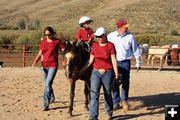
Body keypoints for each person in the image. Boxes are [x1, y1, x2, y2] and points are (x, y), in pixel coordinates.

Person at [80, 27, 118, 120]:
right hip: (96, 73)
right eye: (97, 36)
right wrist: (82, 70)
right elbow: (90, 60)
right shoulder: (95, 46)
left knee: (107, 94)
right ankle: (93, 116)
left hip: (108, 73)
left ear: (105, 35)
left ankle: (109, 113)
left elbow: (113, 59)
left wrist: (116, 73)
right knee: (94, 95)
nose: (98, 38)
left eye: (100, 36)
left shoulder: (110, 46)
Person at [107, 19, 141, 111]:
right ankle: (116, 101)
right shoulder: (111, 36)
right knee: (114, 82)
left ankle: (124, 100)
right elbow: (106, 47)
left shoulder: (130, 36)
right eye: (124, 27)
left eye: (126, 27)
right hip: (114, 62)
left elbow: (135, 49)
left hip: (126, 62)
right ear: (119, 27)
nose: (126, 29)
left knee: (126, 82)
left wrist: (138, 61)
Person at [32, 26, 64, 111]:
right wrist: (35, 62)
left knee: (47, 84)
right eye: (45, 34)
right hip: (44, 66)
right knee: (47, 84)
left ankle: (46, 105)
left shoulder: (57, 41)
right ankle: (52, 97)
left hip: (53, 65)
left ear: (52, 33)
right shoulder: (43, 42)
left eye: (49, 34)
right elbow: (40, 53)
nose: (47, 36)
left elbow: (63, 50)